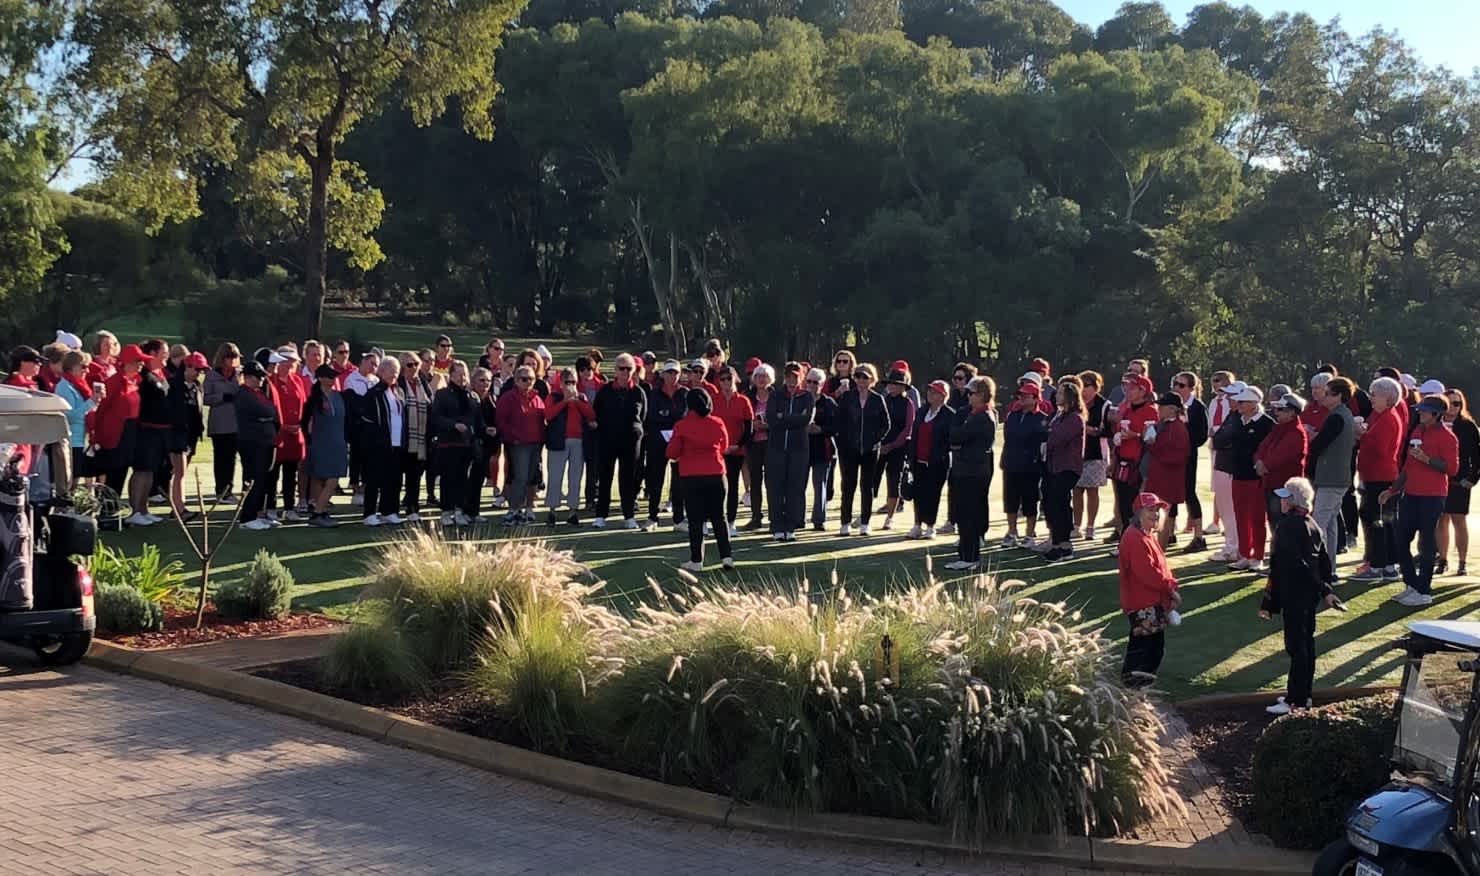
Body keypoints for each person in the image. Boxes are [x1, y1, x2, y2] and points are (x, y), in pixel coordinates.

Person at [1259, 477, 1342, 715]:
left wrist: (1270, 600)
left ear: (1293, 501)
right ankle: (1302, 696)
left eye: (1285, 497)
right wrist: (1324, 589)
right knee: (1306, 645)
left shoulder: (1287, 527)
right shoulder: (1313, 525)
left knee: (1297, 647)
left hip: (1295, 594)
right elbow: (1324, 563)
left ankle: (1294, 700)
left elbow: (1292, 563)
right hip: (1309, 596)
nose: (1281, 501)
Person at [1381, 395, 1460, 607]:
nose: (1420, 413)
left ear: (1436, 414)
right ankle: (1412, 585)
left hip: (1433, 497)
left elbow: (1452, 469)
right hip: (1411, 495)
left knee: (1426, 545)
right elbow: (1407, 467)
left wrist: (1427, 459)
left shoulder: (1448, 437)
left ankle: (1424, 590)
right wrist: (1392, 490)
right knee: (1400, 540)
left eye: (1425, 411)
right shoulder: (1417, 431)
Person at [668, 389, 734, 572]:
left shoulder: (682, 425)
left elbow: (672, 453)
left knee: (696, 520)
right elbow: (725, 446)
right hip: (716, 473)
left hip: (691, 476)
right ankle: (726, 556)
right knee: (719, 517)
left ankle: (697, 560)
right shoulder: (718, 422)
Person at [1118, 492, 1181, 687]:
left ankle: (1134, 690)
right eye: (1150, 510)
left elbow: (1158, 568)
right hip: (1143, 603)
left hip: (1150, 602)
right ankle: (1133, 691)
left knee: (1149, 649)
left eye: (1157, 510)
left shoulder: (1145, 535)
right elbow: (1148, 573)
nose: (1155, 514)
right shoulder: (1135, 538)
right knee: (1146, 651)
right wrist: (1170, 589)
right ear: (1138, 513)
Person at [1350, 377, 1405, 582]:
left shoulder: (1388, 418)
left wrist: (1363, 435)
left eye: (1375, 394)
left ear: (1388, 397)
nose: (1371, 398)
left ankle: (1379, 565)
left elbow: (1381, 449)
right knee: (1382, 520)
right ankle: (1388, 565)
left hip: (1380, 476)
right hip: (1377, 475)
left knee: (1378, 521)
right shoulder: (1381, 416)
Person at [944, 376, 996, 571]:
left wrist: (957, 436)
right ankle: (965, 554)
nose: (968, 396)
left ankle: (970, 557)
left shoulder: (982, 416)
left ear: (982, 395)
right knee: (963, 513)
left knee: (969, 515)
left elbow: (958, 435)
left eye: (972, 393)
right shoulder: (973, 414)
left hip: (973, 471)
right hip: (966, 470)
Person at [1306, 376, 1356, 570]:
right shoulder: (1342, 414)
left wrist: (1311, 437)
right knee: (1331, 525)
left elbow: (1319, 445)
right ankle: (1330, 568)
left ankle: (1321, 569)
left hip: (1331, 477)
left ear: (1339, 396)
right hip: (1337, 476)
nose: (1323, 397)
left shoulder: (1337, 416)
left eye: (1328, 394)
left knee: (1319, 525)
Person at [591, 353, 646, 530]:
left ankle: (629, 516)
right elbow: (596, 412)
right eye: (621, 368)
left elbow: (642, 416)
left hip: (630, 442)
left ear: (634, 370)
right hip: (608, 440)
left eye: (628, 369)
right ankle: (601, 515)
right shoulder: (605, 391)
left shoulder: (639, 392)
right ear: (615, 370)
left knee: (628, 479)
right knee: (605, 477)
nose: (624, 372)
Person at [835, 364, 889, 536]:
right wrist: (843, 442)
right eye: (858, 376)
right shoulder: (847, 397)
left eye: (865, 377)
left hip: (870, 450)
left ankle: (865, 523)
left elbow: (885, 424)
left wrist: (875, 440)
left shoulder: (877, 399)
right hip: (849, 450)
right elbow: (839, 422)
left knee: (867, 487)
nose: (861, 380)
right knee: (848, 486)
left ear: (872, 379)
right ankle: (845, 523)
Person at [434, 360, 489, 526]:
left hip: (466, 444)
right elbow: (436, 418)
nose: (461, 377)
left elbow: (478, 420)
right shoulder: (442, 394)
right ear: (451, 375)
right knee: (448, 478)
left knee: (462, 479)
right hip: (448, 443)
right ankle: (446, 512)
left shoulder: (472, 397)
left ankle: (459, 510)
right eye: (457, 373)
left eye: (464, 373)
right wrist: (453, 425)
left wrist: (486, 429)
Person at [765, 362, 815, 541]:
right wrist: (790, 418)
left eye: (795, 376)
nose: (792, 380)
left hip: (799, 449)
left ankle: (791, 526)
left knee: (795, 487)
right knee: (776, 487)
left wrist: (783, 416)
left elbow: (805, 419)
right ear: (784, 377)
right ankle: (777, 525)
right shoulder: (776, 395)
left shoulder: (807, 396)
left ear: (801, 377)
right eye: (788, 376)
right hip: (776, 447)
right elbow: (771, 418)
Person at [124, 340, 171, 526]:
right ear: (152, 353)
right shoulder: (144, 375)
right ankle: (134, 510)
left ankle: (144, 509)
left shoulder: (159, 374)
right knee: (141, 470)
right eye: (163, 352)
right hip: (145, 429)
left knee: (150, 470)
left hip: (160, 430)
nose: (166, 356)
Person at [1228, 385, 1274, 572]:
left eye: (1242, 401)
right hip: (1238, 475)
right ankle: (1245, 554)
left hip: (1256, 477)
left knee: (1256, 517)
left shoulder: (1267, 423)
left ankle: (1258, 556)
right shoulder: (1238, 420)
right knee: (1241, 516)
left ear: (1254, 403)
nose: (1238, 404)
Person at [1109, 374, 1157, 549]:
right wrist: (1117, 440)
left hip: (1139, 463)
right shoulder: (1127, 409)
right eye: (1127, 387)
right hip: (1124, 460)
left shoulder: (1151, 410)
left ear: (1143, 391)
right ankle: (1126, 541)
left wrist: (1135, 435)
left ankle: (1137, 543)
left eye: (1132, 388)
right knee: (1123, 505)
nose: (1128, 391)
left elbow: (1152, 439)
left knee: (1135, 505)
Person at [543, 367, 595, 526]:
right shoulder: (554, 397)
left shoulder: (581, 397)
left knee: (575, 477)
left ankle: (573, 510)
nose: (570, 385)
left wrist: (578, 401)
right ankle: (552, 510)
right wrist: (564, 402)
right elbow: (548, 414)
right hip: (558, 441)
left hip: (578, 441)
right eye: (567, 382)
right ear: (561, 383)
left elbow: (591, 415)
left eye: (573, 382)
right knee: (555, 477)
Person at [1001, 379, 1049, 548]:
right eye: (1020, 395)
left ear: (1036, 398)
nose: (1021, 398)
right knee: (1010, 499)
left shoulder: (1042, 419)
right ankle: (1012, 532)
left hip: (1031, 466)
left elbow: (1042, 441)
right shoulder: (1013, 415)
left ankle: (1029, 534)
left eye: (1026, 395)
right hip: (1011, 463)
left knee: (1030, 500)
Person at [234, 360, 281, 532]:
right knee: (253, 478)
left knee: (263, 479)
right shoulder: (243, 394)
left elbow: (273, 412)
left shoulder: (258, 393)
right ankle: (247, 517)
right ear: (248, 377)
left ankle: (256, 514)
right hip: (252, 442)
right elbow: (264, 411)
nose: (261, 380)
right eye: (258, 377)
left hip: (266, 441)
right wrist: (267, 416)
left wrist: (268, 416)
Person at [92, 344, 144, 497]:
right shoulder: (114, 382)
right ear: (128, 362)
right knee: (110, 473)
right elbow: (101, 410)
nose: (141, 364)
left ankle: (114, 511)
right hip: (113, 435)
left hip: (129, 431)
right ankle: (106, 513)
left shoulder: (135, 381)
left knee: (121, 471)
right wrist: (98, 436)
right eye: (138, 361)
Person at [1041, 381, 1085, 561]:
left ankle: (1064, 545)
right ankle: (1058, 543)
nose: (1056, 396)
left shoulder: (1074, 418)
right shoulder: (1059, 415)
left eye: (1060, 393)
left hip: (1067, 467)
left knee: (1060, 503)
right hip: (1054, 465)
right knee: (1052, 502)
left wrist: (1048, 433)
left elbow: (1057, 438)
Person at [359, 357, 406, 527]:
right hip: (378, 445)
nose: (394, 373)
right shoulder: (374, 393)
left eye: (397, 370)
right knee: (374, 479)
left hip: (396, 443)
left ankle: (389, 511)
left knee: (393, 479)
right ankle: (369, 513)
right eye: (391, 370)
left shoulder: (398, 392)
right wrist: (376, 440)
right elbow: (367, 421)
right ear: (382, 371)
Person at [1437, 388, 1479, 576]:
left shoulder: (1468, 426)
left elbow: (1477, 456)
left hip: (1459, 481)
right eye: (1450, 402)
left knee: (1459, 520)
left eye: (1457, 403)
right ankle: (1443, 560)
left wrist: (1472, 478)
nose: (1454, 407)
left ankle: (1462, 563)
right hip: (1437, 478)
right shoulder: (1434, 423)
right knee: (1441, 519)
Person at [641, 360, 686, 531]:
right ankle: (652, 517)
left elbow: (684, 417)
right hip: (657, 442)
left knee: (678, 482)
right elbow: (651, 417)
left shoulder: (685, 393)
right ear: (664, 375)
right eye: (669, 373)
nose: (672, 376)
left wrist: (668, 420)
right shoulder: (654, 394)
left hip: (679, 443)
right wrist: (669, 420)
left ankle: (678, 520)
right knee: (655, 481)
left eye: (675, 373)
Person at [1255, 394, 1309, 536]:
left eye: (1280, 409)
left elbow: (1280, 456)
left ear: (1292, 412)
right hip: (1271, 482)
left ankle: (1283, 553)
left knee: (1283, 522)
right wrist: (1259, 461)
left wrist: (1264, 464)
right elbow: (1263, 447)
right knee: (1274, 522)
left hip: (1284, 486)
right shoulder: (1279, 428)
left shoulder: (1296, 432)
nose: (1276, 412)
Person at [301, 363, 348, 527]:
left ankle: (320, 511)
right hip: (321, 443)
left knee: (330, 477)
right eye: (329, 376)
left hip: (338, 442)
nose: (333, 379)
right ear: (320, 378)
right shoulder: (314, 399)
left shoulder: (340, 396)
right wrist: (308, 440)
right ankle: (317, 512)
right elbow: (304, 421)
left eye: (334, 376)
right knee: (327, 479)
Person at [908, 380, 954, 540]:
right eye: (929, 391)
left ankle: (930, 526)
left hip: (938, 463)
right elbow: (914, 435)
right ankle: (917, 524)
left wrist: (939, 454)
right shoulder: (921, 411)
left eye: (934, 392)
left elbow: (950, 440)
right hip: (918, 460)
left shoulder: (949, 414)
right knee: (918, 493)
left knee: (933, 494)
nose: (930, 394)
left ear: (943, 396)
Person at [1144, 392, 1190, 548]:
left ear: (1172, 409)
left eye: (1161, 406)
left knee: (1162, 516)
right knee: (1158, 515)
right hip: (1159, 476)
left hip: (1168, 479)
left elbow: (1178, 456)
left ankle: (1160, 550)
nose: (1158, 409)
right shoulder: (1164, 424)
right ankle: (1156, 548)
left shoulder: (1177, 427)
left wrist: (1153, 446)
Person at [164, 352, 206, 520]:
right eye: (197, 369)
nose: (199, 373)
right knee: (179, 471)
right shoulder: (173, 385)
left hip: (191, 434)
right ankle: (180, 508)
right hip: (176, 433)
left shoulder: (197, 386)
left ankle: (176, 508)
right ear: (187, 367)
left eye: (201, 370)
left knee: (181, 472)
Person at [266, 347, 307, 521]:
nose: (289, 363)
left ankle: (289, 507)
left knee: (291, 473)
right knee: (273, 473)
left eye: (292, 360)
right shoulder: (270, 381)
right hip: (278, 433)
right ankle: (270, 507)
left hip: (295, 434)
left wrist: (299, 425)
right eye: (285, 360)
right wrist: (283, 426)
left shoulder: (297, 380)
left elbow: (303, 404)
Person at [1169, 372, 1208, 551]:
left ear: (1191, 388)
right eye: (1175, 384)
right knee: (1170, 493)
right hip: (1171, 455)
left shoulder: (1197, 407)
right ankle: (1169, 533)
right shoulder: (1172, 405)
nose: (1176, 388)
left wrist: (1184, 435)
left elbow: (1201, 436)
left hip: (1188, 456)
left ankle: (1198, 537)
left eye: (1181, 385)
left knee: (1189, 493)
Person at [713, 365, 753, 536]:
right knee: (716, 488)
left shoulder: (743, 401)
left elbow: (748, 428)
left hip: (736, 450)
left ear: (735, 379)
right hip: (717, 451)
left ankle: (730, 521)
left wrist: (737, 445)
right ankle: (715, 521)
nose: (726, 382)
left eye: (729, 378)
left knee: (733, 486)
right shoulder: (713, 399)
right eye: (722, 379)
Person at [876, 369, 917, 530]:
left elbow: (908, 429)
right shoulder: (883, 400)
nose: (892, 387)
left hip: (899, 448)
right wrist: (880, 444)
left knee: (894, 481)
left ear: (903, 387)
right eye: (891, 384)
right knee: (872, 480)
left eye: (897, 384)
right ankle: (864, 514)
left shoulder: (908, 404)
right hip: (880, 446)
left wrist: (891, 445)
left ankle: (890, 517)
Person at [1073, 371, 1111, 542]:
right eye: (1081, 386)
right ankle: (1076, 526)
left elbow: (1109, 431)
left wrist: (1092, 431)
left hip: (1096, 454)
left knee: (1092, 491)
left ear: (1096, 387)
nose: (1084, 390)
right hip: (1076, 454)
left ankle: (1090, 527)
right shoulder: (1075, 403)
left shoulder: (1104, 405)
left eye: (1087, 386)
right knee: (1077, 490)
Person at [203, 344, 242, 502]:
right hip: (219, 423)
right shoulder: (212, 375)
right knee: (221, 458)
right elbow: (204, 398)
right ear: (222, 358)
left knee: (232, 458)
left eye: (235, 357)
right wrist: (221, 397)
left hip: (236, 423)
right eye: (229, 357)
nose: (232, 360)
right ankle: (221, 490)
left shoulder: (239, 375)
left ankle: (229, 490)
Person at [398, 352, 433, 523]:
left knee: (415, 476)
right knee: (396, 477)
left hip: (420, 439)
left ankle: (413, 508)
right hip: (402, 438)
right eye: (409, 365)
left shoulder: (423, 384)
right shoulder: (397, 384)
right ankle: (389, 509)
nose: (414, 368)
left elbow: (430, 405)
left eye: (416, 364)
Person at [342, 351, 380, 505]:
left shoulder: (376, 380)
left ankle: (366, 488)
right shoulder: (352, 379)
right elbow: (353, 402)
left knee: (369, 460)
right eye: (372, 363)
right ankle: (356, 489)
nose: (374, 367)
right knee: (357, 458)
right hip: (357, 427)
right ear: (363, 362)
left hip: (372, 428)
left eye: (376, 364)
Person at [55, 351, 98, 485]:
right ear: (71, 366)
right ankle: (66, 506)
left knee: (75, 480)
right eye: (83, 366)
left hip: (80, 440)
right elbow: (69, 416)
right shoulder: (64, 387)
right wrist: (91, 402)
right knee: (70, 482)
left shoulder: (79, 385)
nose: (87, 370)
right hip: (71, 441)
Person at [743, 364, 776, 530]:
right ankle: (756, 516)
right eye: (758, 376)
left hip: (772, 444)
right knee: (755, 482)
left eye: (765, 376)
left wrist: (767, 425)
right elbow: (742, 419)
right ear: (754, 379)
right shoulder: (748, 397)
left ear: (771, 379)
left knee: (772, 482)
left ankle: (774, 517)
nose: (762, 379)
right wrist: (752, 425)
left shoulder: (777, 397)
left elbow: (781, 419)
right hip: (753, 444)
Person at [805, 368, 837, 533]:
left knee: (820, 485)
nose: (811, 385)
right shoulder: (799, 400)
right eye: (808, 381)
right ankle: (798, 517)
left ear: (822, 384)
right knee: (799, 485)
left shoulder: (829, 403)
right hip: (801, 449)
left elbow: (836, 426)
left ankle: (819, 520)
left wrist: (820, 429)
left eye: (815, 382)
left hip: (822, 450)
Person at [1205, 371, 1236, 539]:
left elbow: (1226, 425)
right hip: (1215, 446)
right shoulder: (1212, 402)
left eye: (1218, 381)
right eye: (1213, 381)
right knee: (1217, 485)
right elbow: (1211, 425)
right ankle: (1216, 521)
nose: (1215, 384)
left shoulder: (1230, 402)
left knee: (1227, 486)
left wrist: (1217, 432)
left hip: (1227, 448)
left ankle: (1228, 523)